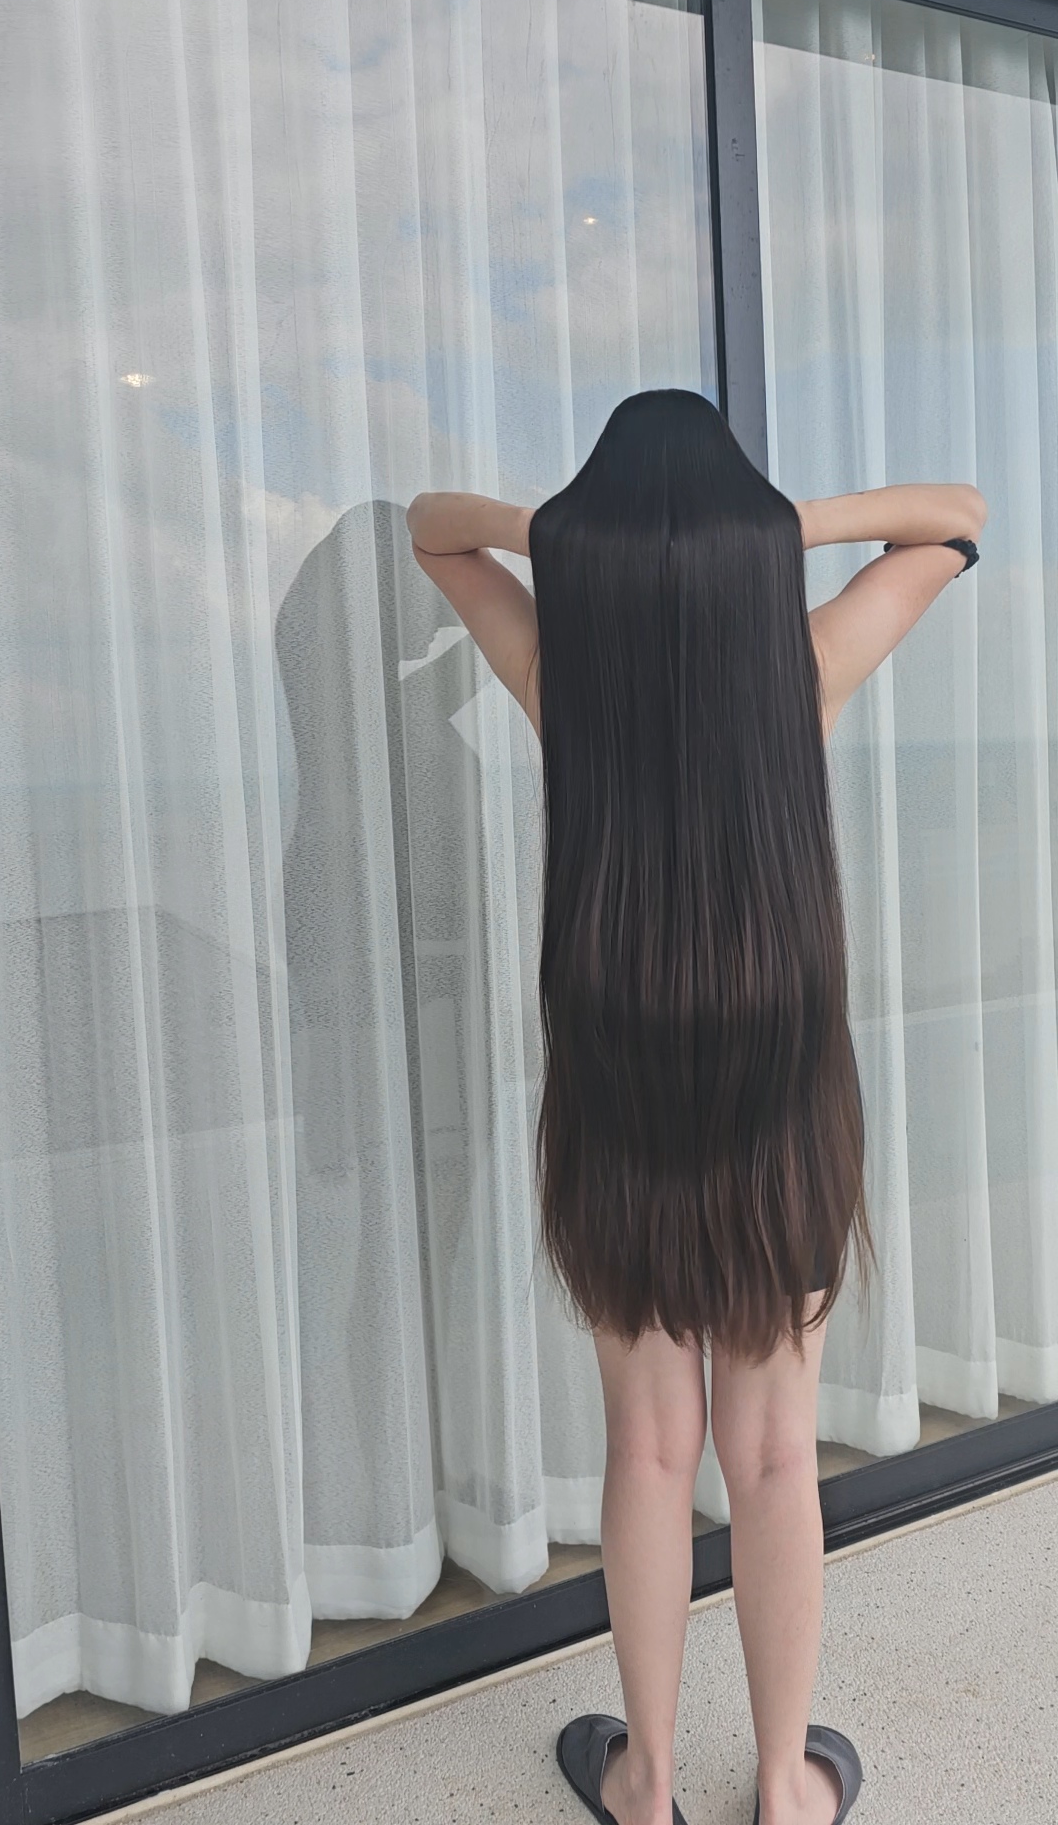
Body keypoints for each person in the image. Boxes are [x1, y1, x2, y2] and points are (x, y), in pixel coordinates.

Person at [405, 389, 986, 1825]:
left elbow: (432, 533)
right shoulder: (803, 668)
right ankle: (786, 1789)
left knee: (651, 1447)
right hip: (781, 1101)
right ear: (745, 533)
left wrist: (569, 540)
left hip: (619, 1100)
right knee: (776, 1453)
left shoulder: (567, 683)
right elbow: (956, 523)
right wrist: (777, 533)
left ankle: (648, 1783)